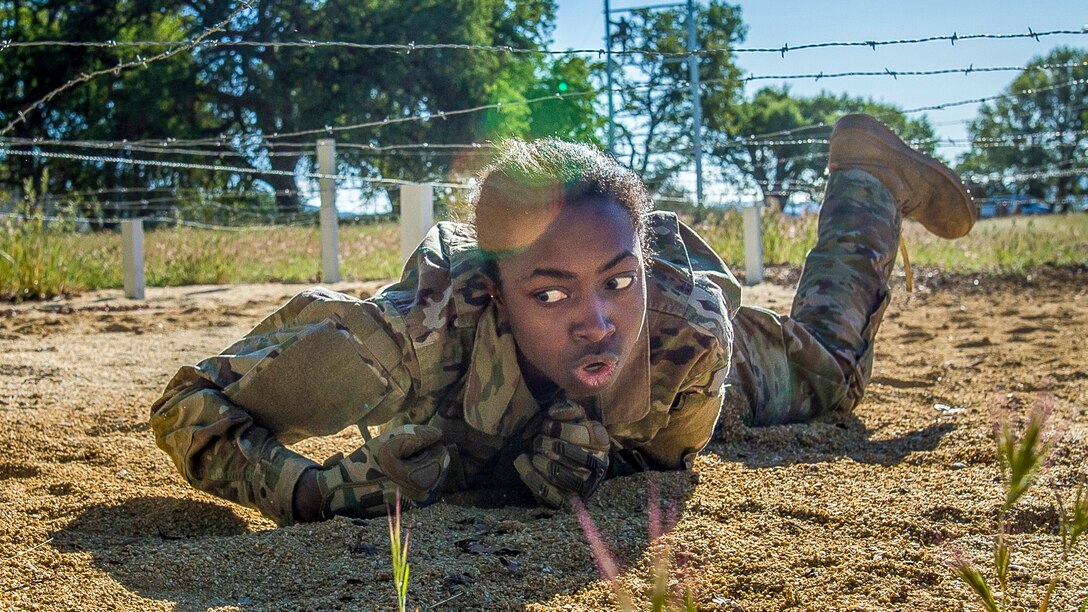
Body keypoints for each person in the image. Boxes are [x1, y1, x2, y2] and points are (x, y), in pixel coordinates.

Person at [149, 114, 975, 525]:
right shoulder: (410, 334)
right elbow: (189, 406)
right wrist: (312, 492)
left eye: (616, 282)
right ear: (494, 291)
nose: (596, 323)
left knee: (833, 376)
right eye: (550, 293)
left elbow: (667, 457)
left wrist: (572, 463)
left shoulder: (685, 338)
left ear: (643, 268)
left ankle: (867, 177)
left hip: (714, 377)